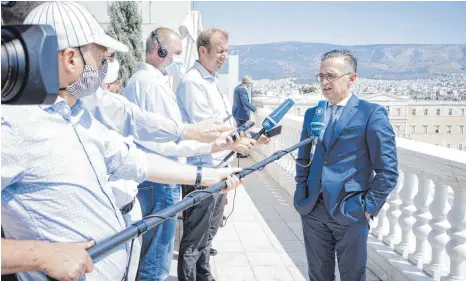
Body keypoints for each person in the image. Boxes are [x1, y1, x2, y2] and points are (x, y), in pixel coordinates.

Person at [1, 3, 243, 281]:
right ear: (70, 58)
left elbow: (132, 160)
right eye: (100, 57)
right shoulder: (13, 125)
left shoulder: (76, 113)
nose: (105, 66)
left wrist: (208, 176)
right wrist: (41, 256)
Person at [124, 27, 255, 281]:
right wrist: (213, 146)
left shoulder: (151, 82)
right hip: (162, 177)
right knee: (157, 260)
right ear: (160, 51)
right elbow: (170, 140)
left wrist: (217, 145)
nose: (177, 60)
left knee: (161, 253)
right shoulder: (150, 84)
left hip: (166, 171)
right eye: (174, 53)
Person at [294, 49, 398, 281]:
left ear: (351, 78)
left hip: (350, 211)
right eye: (320, 76)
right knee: (318, 275)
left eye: (330, 76)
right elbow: (303, 157)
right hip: (313, 210)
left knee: (352, 276)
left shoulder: (371, 113)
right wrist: (302, 191)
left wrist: (367, 207)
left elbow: (388, 170)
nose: (324, 82)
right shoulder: (313, 114)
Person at [176, 27, 269, 281]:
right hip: (202, 170)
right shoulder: (192, 82)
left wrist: (249, 137)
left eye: (227, 51)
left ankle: (204, 276)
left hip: (219, 167)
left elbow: (225, 124)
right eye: (220, 51)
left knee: (209, 232)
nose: (224, 56)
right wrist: (235, 144)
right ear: (203, 51)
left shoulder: (213, 80)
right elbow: (206, 129)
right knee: (195, 239)